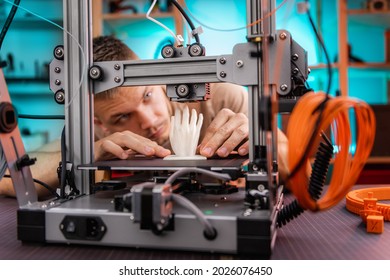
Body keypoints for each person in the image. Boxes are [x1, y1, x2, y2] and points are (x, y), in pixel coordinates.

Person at [0, 35, 289, 198]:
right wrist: (88, 152)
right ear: (98, 122)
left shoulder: (221, 96)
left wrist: (263, 139)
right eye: (123, 117)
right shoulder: (95, 133)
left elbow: (294, 165)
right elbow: (10, 180)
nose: (149, 121)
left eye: (148, 95)